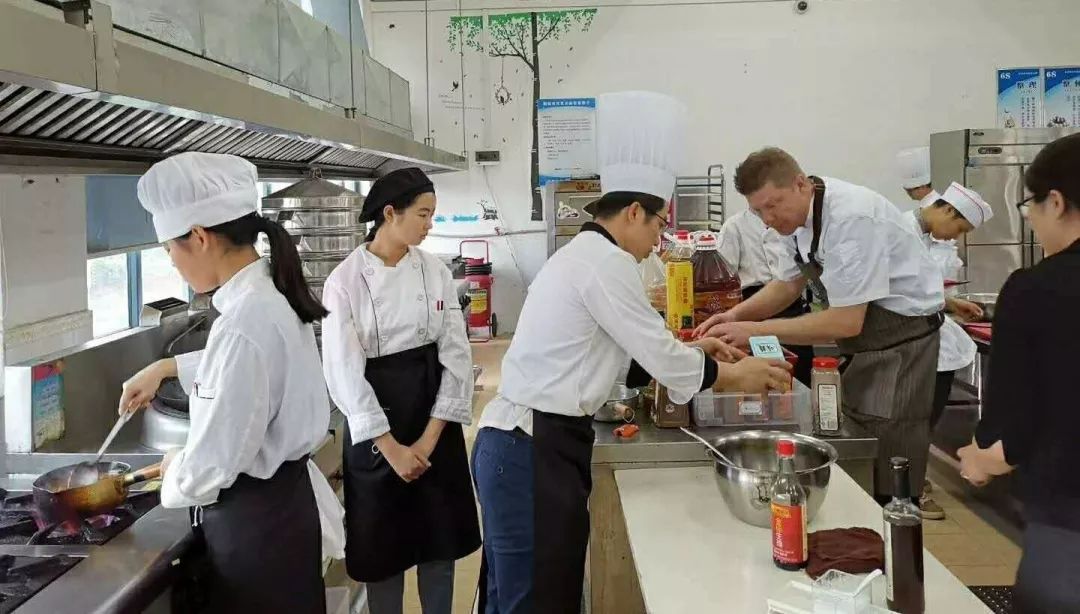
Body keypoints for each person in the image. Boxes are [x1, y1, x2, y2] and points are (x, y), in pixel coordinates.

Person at [471, 91, 792, 614]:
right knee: (534, 601)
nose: (659, 240)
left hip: (529, 445)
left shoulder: (588, 254)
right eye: (659, 225)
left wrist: (697, 348)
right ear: (634, 212)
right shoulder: (607, 263)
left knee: (524, 596)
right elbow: (662, 359)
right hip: (528, 449)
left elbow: (625, 352)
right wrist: (738, 375)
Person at [118, 152, 341, 614]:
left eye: (170, 250)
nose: (173, 264)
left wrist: (176, 471)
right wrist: (166, 368)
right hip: (283, 517)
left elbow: (213, 465)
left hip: (258, 535)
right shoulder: (267, 297)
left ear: (199, 237)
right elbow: (250, 370)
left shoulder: (244, 322)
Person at [696, 147, 945, 504]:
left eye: (773, 205)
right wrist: (736, 316)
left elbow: (846, 321)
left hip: (902, 345)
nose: (767, 219)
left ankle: (894, 522)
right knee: (860, 437)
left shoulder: (851, 218)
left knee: (889, 449)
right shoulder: (796, 220)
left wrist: (754, 330)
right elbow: (787, 284)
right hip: (865, 345)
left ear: (801, 184)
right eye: (758, 211)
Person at [320, 167, 481, 614]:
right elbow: (344, 373)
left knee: (439, 547)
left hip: (433, 419)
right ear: (390, 214)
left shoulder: (434, 270)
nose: (430, 224)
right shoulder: (344, 282)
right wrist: (391, 449)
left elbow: (456, 354)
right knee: (383, 554)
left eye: (432, 215)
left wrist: (428, 441)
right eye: (424, 214)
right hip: (376, 431)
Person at [957, 133, 1080, 613]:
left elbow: (1015, 424)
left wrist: (980, 460)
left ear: (1057, 202)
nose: (1029, 217)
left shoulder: (1037, 289)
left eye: (1030, 205)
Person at [898, 171, 992, 520]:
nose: (957, 237)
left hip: (926, 337)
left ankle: (911, 482)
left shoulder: (920, 234)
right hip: (909, 342)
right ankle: (910, 489)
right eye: (960, 228)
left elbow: (918, 286)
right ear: (948, 211)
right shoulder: (901, 231)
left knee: (921, 420)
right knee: (915, 421)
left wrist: (950, 303)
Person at [716, 210, 813, 386]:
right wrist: (732, 315)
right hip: (751, 306)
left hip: (791, 306)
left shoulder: (792, 223)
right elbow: (723, 279)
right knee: (762, 378)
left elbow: (789, 284)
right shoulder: (734, 226)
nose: (768, 219)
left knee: (798, 375)